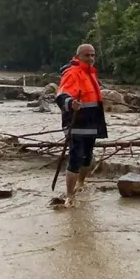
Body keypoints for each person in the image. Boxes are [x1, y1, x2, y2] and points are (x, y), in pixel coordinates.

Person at [54, 43, 108, 207]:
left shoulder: (90, 73)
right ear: (78, 56)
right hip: (76, 122)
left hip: (91, 121)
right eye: (87, 55)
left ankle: (81, 183)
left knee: (88, 156)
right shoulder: (72, 73)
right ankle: (69, 196)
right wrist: (70, 103)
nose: (91, 58)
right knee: (76, 157)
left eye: (92, 55)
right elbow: (62, 94)